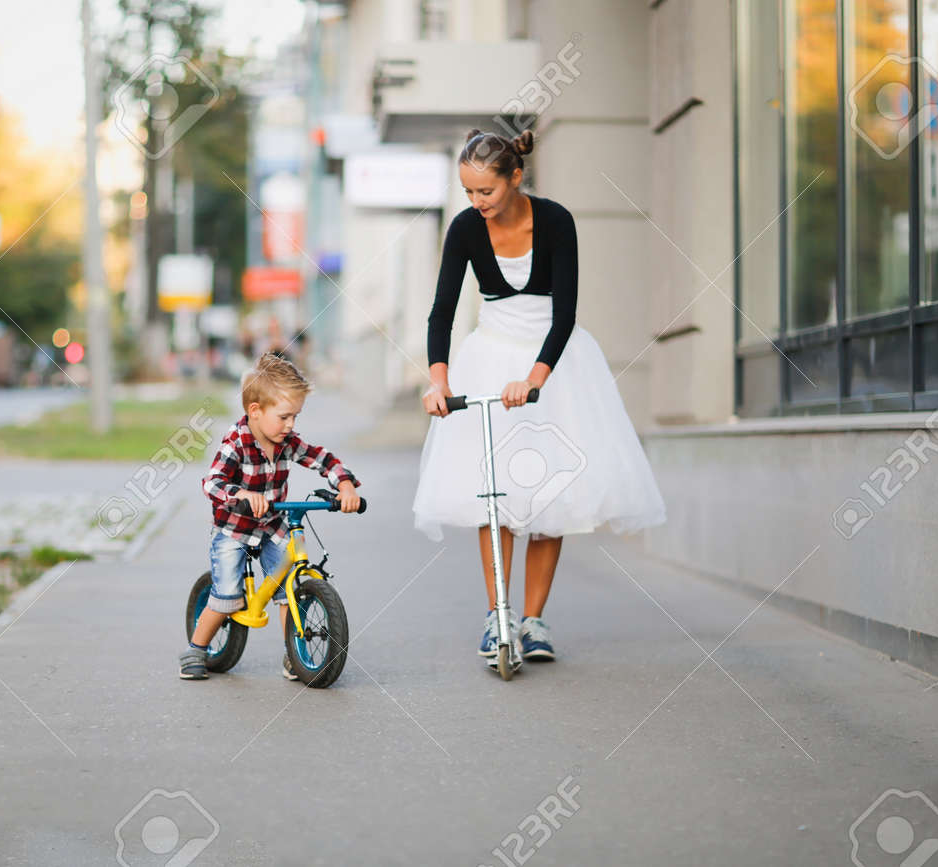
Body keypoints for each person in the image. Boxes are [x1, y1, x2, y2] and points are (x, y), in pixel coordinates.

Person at [412, 128, 666, 669]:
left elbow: (565, 314)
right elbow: (442, 311)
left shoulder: (555, 221)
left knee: (550, 496)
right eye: (469, 193)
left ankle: (533, 619)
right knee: (495, 493)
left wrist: (535, 378)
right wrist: (439, 380)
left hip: (556, 362)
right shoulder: (464, 229)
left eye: (487, 192)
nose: (477, 203)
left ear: (514, 177)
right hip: (489, 356)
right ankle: (498, 614)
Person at [181, 352, 362, 680]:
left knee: (287, 590)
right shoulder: (235, 443)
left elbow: (322, 459)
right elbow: (212, 482)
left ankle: (294, 653)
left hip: (273, 524)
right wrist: (242, 495)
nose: (291, 425)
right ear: (255, 411)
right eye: (284, 417)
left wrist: (345, 485)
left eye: (295, 417)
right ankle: (196, 648)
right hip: (234, 528)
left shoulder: (287, 442)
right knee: (226, 599)